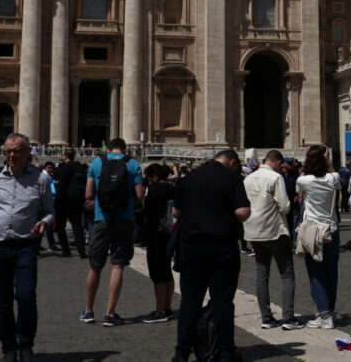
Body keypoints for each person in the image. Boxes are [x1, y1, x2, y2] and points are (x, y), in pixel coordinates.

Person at [0, 134, 55, 362]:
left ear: (28, 152)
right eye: (8, 151)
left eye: (16, 151)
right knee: (1, 301)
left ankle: (26, 345)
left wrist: (44, 222)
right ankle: (8, 348)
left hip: (25, 246)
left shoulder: (41, 179)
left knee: (26, 296)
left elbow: (49, 210)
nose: (11, 155)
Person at [172, 150, 250, 362]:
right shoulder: (233, 177)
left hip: (192, 248)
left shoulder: (189, 178)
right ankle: (225, 352)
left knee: (190, 301)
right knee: (223, 301)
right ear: (232, 162)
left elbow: (175, 213)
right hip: (222, 247)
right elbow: (242, 212)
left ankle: (181, 353)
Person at [81, 138, 144, 326]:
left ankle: (88, 311)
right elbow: (140, 196)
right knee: (117, 265)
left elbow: (87, 195)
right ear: (125, 149)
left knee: (95, 266)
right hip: (125, 219)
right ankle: (110, 313)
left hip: (102, 218)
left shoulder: (97, 162)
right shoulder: (133, 164)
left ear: (107, 149)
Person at [242, 150, 302, 330]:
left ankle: (266, 318)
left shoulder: (248, 179)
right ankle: (288, 318)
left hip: (254, 232)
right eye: (281, 165)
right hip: (275, 231)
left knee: (262, 274)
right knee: (287, 274)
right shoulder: (276, 178)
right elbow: (284, 207)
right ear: (277, 162)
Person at [295, 144, 341, 329]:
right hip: (332, 229)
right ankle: (328, 309)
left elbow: (299, 196)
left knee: (316, 272)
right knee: (332, 272)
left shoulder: (304, 181)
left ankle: (325, 315)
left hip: (313, 231)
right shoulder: (333, 177)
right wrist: (329, 163)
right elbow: (335, 177)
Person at [141, 164, 175, 323]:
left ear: (154, 176)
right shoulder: (172, 188)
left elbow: (147, 214)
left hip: (156, 235)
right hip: (169, 234)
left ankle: (160, 310)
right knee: (167, 271)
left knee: (157, 273)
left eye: (148, 177)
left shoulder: (153, 190)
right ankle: (167, 307)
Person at [53, 148, 87, 259]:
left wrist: (57, 201)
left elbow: (61, 186)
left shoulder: (64, 168)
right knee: (77, 226)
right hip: (77, 200)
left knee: (60, 226)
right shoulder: (79, 167)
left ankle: (66, 250)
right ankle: (82, 251)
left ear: (65, 156)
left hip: (64, 201)